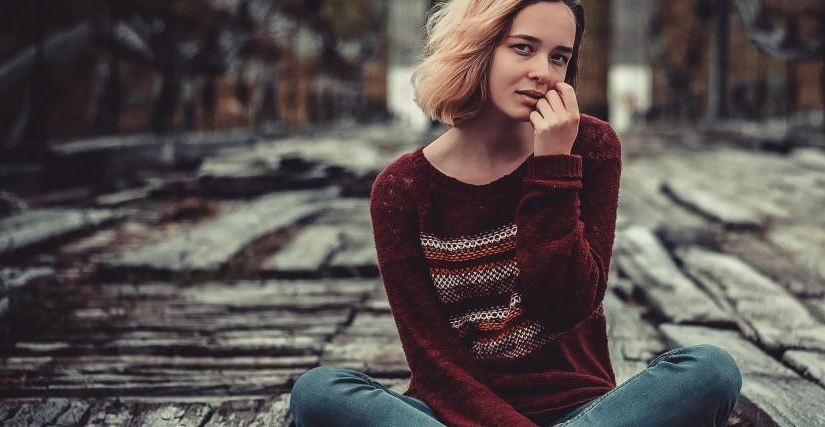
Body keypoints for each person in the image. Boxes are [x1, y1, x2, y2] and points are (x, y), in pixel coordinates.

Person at [289, 1, 741, 425]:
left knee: (711, 369)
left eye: (560, 57)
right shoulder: (402, 189)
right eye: (523, 48)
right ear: (479, 47)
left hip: (584, 409)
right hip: (456, 414)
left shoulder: (591, 148)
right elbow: (434, 361)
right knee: (319, 390)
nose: (543, 72)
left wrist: (553, 166)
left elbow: (565, 304)